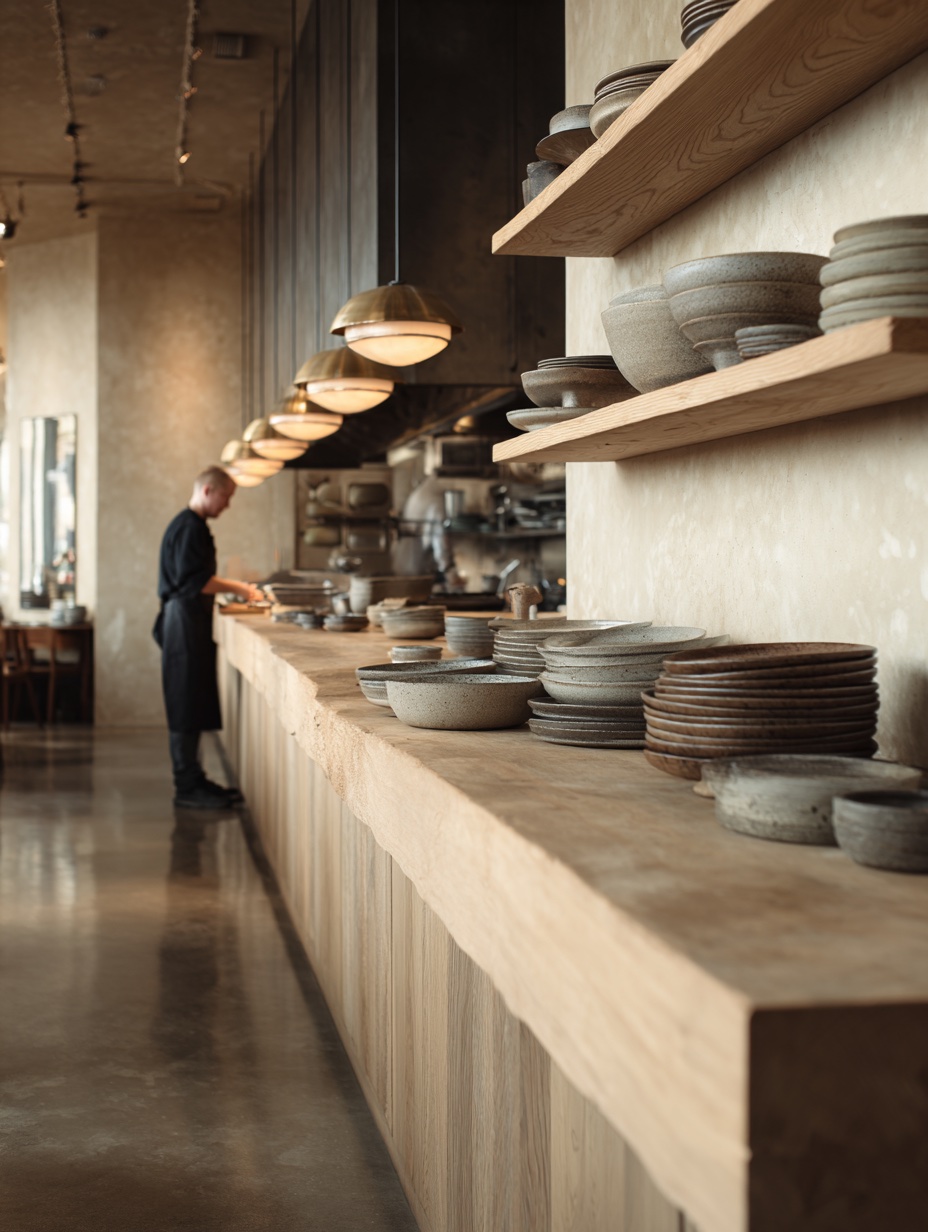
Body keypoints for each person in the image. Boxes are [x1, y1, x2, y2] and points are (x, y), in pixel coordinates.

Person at [155, 465, 263, 808]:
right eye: (226, 497)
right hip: (182, 621)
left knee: (192, 699)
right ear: (207, 491)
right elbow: (196, 581)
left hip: (186, 621)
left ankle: (194, 780)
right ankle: (186, 787)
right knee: (185, 703)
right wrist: (243, 589)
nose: (227, 505)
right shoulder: (189, 527)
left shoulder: (192, 525)